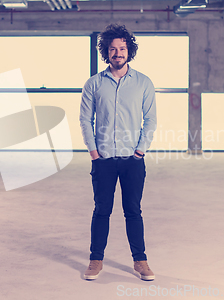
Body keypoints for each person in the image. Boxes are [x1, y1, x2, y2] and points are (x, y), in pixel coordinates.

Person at [79, 23, 157, 281]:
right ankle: (95, 260)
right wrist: (93, 152)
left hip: (133, 160)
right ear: (106, 52)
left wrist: (140, 151)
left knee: (133, 210)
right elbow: (85, 119)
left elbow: (151, 120)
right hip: (103, 160)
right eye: (112, 49)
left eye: (122, 48)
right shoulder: (93, 84)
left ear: (129, 51)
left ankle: (140, 261)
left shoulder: (143, 83)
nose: (117, 53)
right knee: (101, 210)